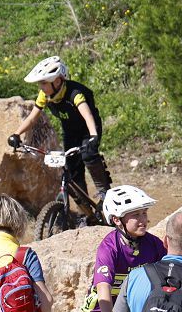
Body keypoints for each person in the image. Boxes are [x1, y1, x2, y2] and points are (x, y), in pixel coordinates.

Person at [8, 55, 113, 203]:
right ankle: (85, 210)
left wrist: (93, 135)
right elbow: (32, 118)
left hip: (88, 129)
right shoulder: (45, 95)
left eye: (43, 83)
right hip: (70, 131)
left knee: (88, 155)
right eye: (40, 84)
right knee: (71, 168)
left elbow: (87, 115)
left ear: (57, 81)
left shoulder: (74, 93)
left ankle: (105, 193)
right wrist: (17, 134)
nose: (41, 87)